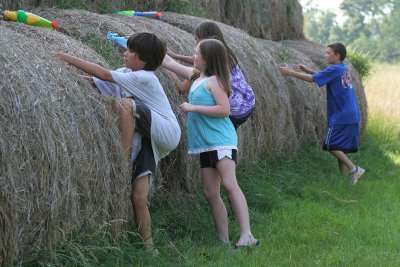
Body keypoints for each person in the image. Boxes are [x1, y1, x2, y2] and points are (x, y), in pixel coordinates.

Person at [56, 32, 181, 251]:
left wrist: (65, 57)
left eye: (131, 51)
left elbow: (104, 74)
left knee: (125, 105)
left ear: (144, 60)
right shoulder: (127, 74)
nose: (126, 53)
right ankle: (150, 249)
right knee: (138, 196)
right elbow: (95, 82)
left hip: (166, 130)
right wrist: (64, 80)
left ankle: (122, 158)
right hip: (152, 137)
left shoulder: (145, 77)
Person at [162, 38, 259, 248]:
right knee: (210, 191)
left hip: (221, 140)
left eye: (196, 53)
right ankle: (223, 241)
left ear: (206, 59)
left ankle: (247, 235)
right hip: (206, 143)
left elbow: (225, 110)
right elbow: (169, 63)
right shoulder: (196, 76)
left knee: (230, 185)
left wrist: (193, 108)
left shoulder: (215, 81)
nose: (193, 56)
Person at [279, 42, 365, 184]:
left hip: (341, 115)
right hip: (351, 114)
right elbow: (324, 76)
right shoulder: (343, 68)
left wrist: (290, 72)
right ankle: (343, 180)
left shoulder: (334, 69)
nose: (325, 55)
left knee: (331, 145)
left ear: (337, 55)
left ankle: (354, 168)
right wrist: (308, 70)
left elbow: (313, 80)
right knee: (341, 147)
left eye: (328, 53)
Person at [167, 20, 255, 130]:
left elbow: (182, 88)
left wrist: (167, 68)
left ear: (205, 42)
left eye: (196, 39)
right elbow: (197, 60)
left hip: (235, 110)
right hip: (248, 101)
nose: (195, 43)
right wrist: (176, 56)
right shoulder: (224, 54)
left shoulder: (208, 70)